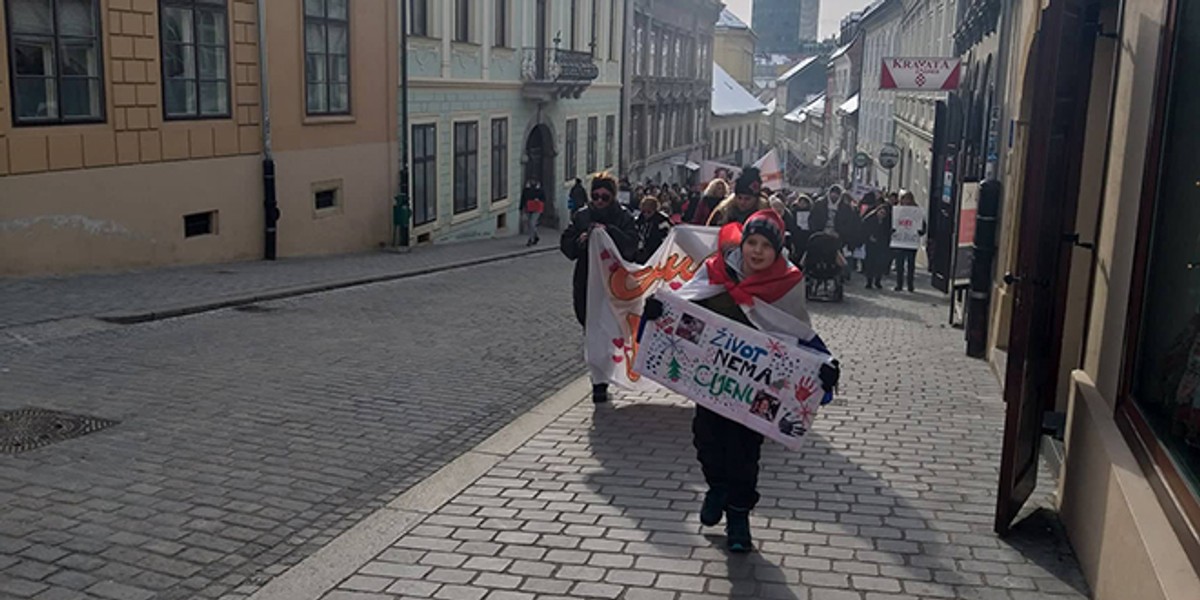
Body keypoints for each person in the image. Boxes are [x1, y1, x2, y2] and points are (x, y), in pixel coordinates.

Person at [642, 210, 840, 552]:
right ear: (742, 242)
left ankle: (738, 519)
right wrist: (657, 311)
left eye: (766, 245)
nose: (758, 251)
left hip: (758, 389)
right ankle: (716, 486)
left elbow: (800, 335)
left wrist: (826, 366)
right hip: (712, 381)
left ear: (777, 250)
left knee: (744, 452)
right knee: (706, 439)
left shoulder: (787, 284)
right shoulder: (715, 270)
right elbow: (682, 301)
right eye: (752, 242)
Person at [561, 173, 639, 403]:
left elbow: (631, 247)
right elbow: (567, 247)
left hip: (615, 285)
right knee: (592, 331)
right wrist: (580, 241)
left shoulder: (624, 217)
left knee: (611, 330)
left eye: (604, 197)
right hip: (587, 283)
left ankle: (609, 374)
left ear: (613, 196)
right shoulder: (582, 216)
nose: (599, 201)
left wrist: (609, 233)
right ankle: (598, 381)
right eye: (595, 196)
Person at [891, 190, 926, 292]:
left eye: (907, 199)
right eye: (904, 199)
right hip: (899, 241)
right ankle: (899, 284)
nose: (905, 201)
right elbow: (893, 223)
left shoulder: (917, 211)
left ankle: (910, 285)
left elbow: (923, 226)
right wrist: (893, 230)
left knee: (911, 265)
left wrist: (919, 232)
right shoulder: (898, 210)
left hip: (911, 241)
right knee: (899, 264)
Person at [862, 198, 891, 289]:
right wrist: (869, 236)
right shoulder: (870, 218)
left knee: (880, 263)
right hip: (871, 243)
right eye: (881, 212)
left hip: (882, 244)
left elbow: (888, 232)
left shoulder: (887, 221)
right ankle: (869, 281)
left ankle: (878, 280)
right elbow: (864, 228)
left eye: (884, 214)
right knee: (870, 262)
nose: (882, 215)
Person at [634, 196, 673, 263]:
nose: (646, 214)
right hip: (641, 252)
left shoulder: (662, 221)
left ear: (655, 210)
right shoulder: (639, 220)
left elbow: (668, 238)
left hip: (656, 253)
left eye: (649, 212)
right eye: (643, 212)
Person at [521, 179, 546, 246]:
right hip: (528, 208)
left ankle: (530, 239)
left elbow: (544, 199)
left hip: (537, 208)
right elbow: (523, 198)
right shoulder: (526, 189)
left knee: (532, 222)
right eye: (531, 181)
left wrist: (538, 199)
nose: (532, 182)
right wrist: (521, 208)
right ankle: (536, 237)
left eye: (534, 181)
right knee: (530, 224)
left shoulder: (540, 189)